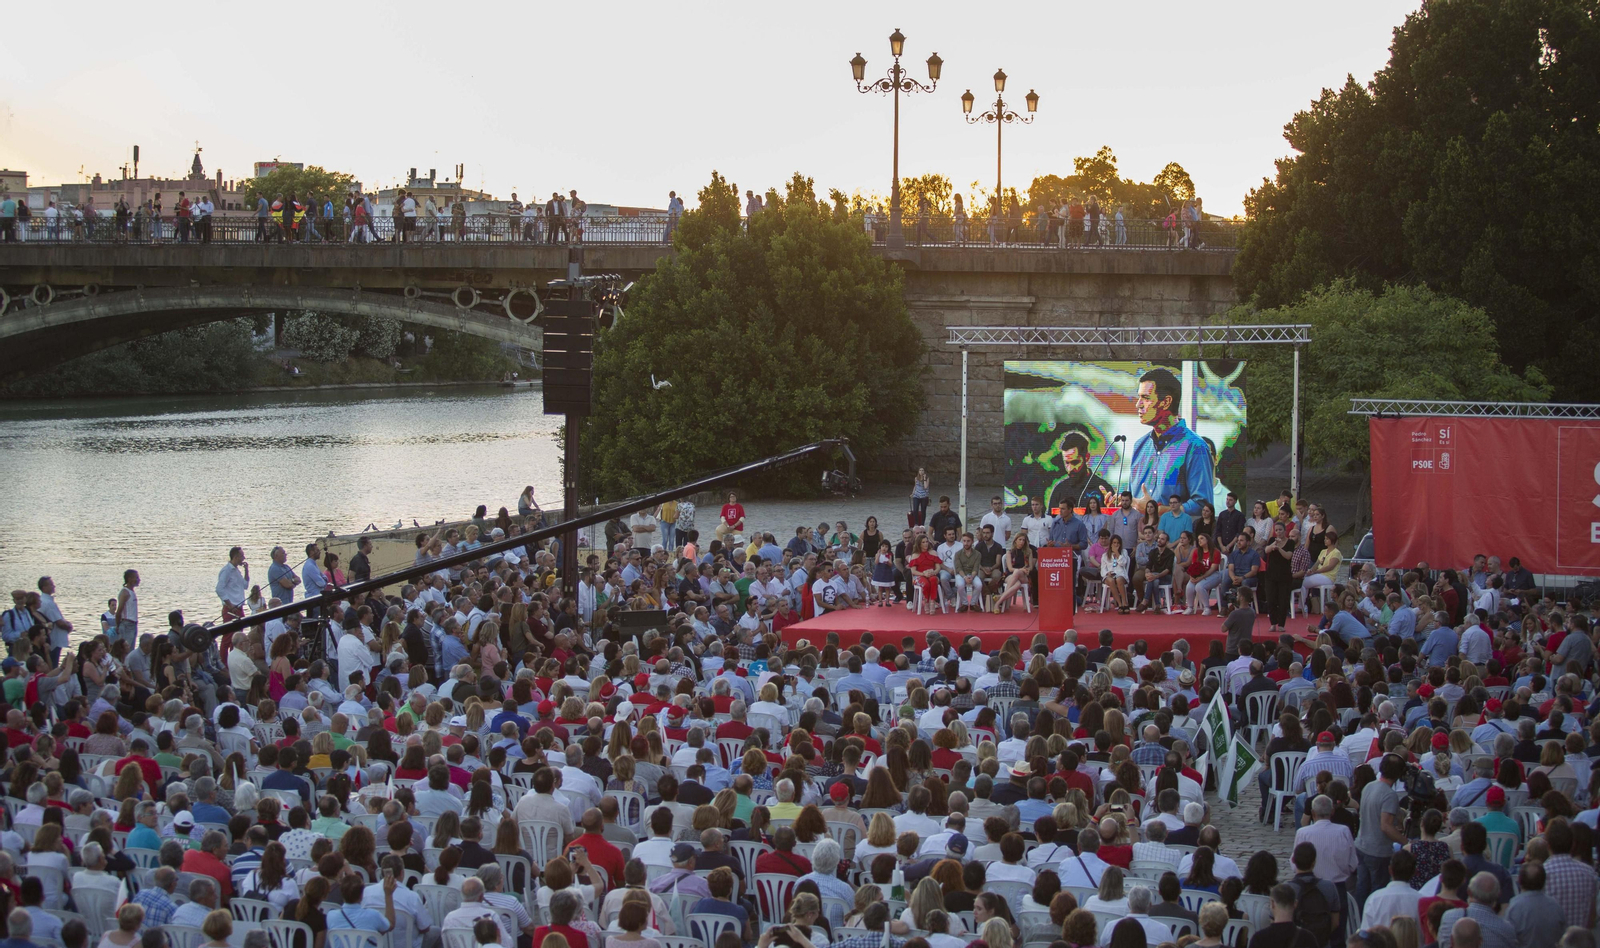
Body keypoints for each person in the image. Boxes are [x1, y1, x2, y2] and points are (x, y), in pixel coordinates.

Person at [1127, 368, 1215, 516]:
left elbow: (1203, 505)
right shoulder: (1139, 446)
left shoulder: (1195, 446)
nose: (1138, 404)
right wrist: (1122, 502)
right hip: (1137, 537)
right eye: (1139, 397)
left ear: (1166, 402)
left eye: (1146, 398)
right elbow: (1135, 500)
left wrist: (1161, 512)